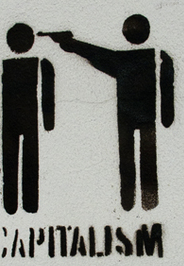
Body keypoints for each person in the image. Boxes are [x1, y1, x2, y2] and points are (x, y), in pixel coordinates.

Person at [40, 14, 173, 210]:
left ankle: (129, 203)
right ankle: (146, 203)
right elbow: (167, 86)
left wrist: (70, 44)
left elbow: (96, 55)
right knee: (146, 158)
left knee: (127, 160)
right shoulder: (157, 57)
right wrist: (167, 116)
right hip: (145, 116)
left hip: (127, 116)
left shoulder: (123, 60)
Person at [0, 23, 55, 214]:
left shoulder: (0, 66)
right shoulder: (41, 64)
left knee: (11, 160)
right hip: (28, 120)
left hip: (11, 120)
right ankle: (27, 204)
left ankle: (13, 205)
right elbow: (47, 94)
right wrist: (48, 122)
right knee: (29, 159)